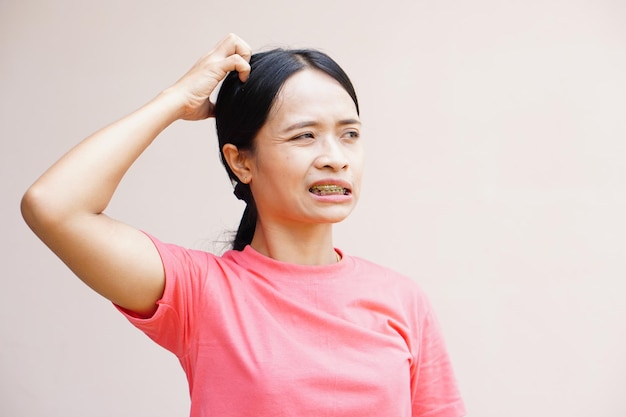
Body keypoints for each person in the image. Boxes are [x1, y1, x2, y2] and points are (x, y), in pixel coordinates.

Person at [21, 33, 466, 417]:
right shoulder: (201, 293)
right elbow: (54, 206)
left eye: (349, 133)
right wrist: (174, 101)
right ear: (241, 161)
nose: (336, 156)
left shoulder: (403, 300)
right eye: (304, 135)